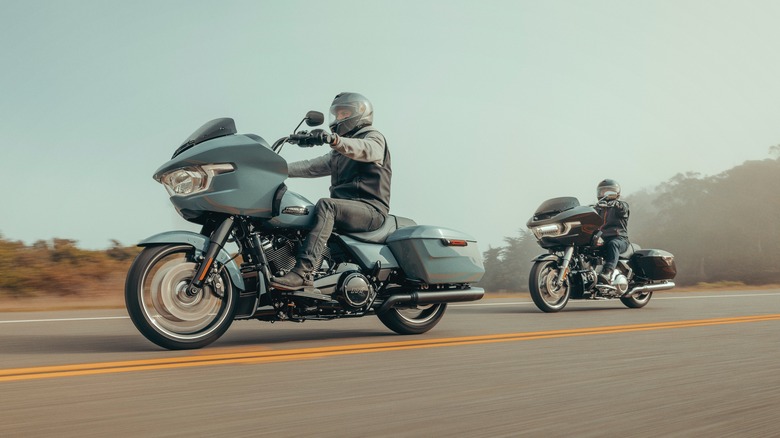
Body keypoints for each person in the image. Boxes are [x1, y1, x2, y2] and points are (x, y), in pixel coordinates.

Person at [271, 92, 391, 290]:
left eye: (345, 114)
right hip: (347, 211)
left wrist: (335, 140)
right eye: (338, 114)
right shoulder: (339, 152)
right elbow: (311, 166)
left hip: (371, 210)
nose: (339, 118)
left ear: (360, 114)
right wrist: (276, 169)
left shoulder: (373, 137)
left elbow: (366, 150)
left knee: (326, 206)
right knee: (302, 212)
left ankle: (303, 272)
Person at [595, 179, 630, 285]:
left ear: (617, 193)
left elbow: (623, 209)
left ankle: (608, 272)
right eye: (603, 191)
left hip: (619, 239)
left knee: (613, 244)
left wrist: (616, 204)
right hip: (602, 239)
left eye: (610, 192)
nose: (606, 194)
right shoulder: (598, 208)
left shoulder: (621, 206)